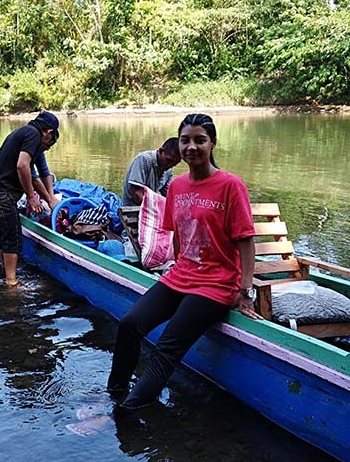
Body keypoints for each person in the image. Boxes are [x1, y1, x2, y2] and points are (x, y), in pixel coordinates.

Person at [108, 113, 261, 412]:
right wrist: (175, 269)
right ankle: (113, 394)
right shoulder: (177, 186)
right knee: (129, 325)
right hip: (182, 275)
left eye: (199, 140)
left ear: (212, 143)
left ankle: (123, 415)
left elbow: (246, 240)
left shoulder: (231, 185)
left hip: (217, 284)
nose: (191, 147)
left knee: (166, 349)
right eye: (185, 140)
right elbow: (178, 234)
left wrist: (245, 294)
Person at [0, 110, 59, 286]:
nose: (46, 146)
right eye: (50, 140)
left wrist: (49, 198)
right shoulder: (33, 135)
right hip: (4, 193)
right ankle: (12, 282)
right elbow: (23, 165)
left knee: (2, 238)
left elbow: (40, 172)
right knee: (12, 238)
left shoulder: (22, 132)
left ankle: (6, 275)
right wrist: (32, 197)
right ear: (48, 132)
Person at [121, 138, 181, 207]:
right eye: (169, 160)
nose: (170, 165)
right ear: (161, 151)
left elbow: (167, 194)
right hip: (132, 210)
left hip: (150, 208)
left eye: (175, 163)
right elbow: (137, 195)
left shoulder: (168, 169)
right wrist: (156, 208)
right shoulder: (143, 160)